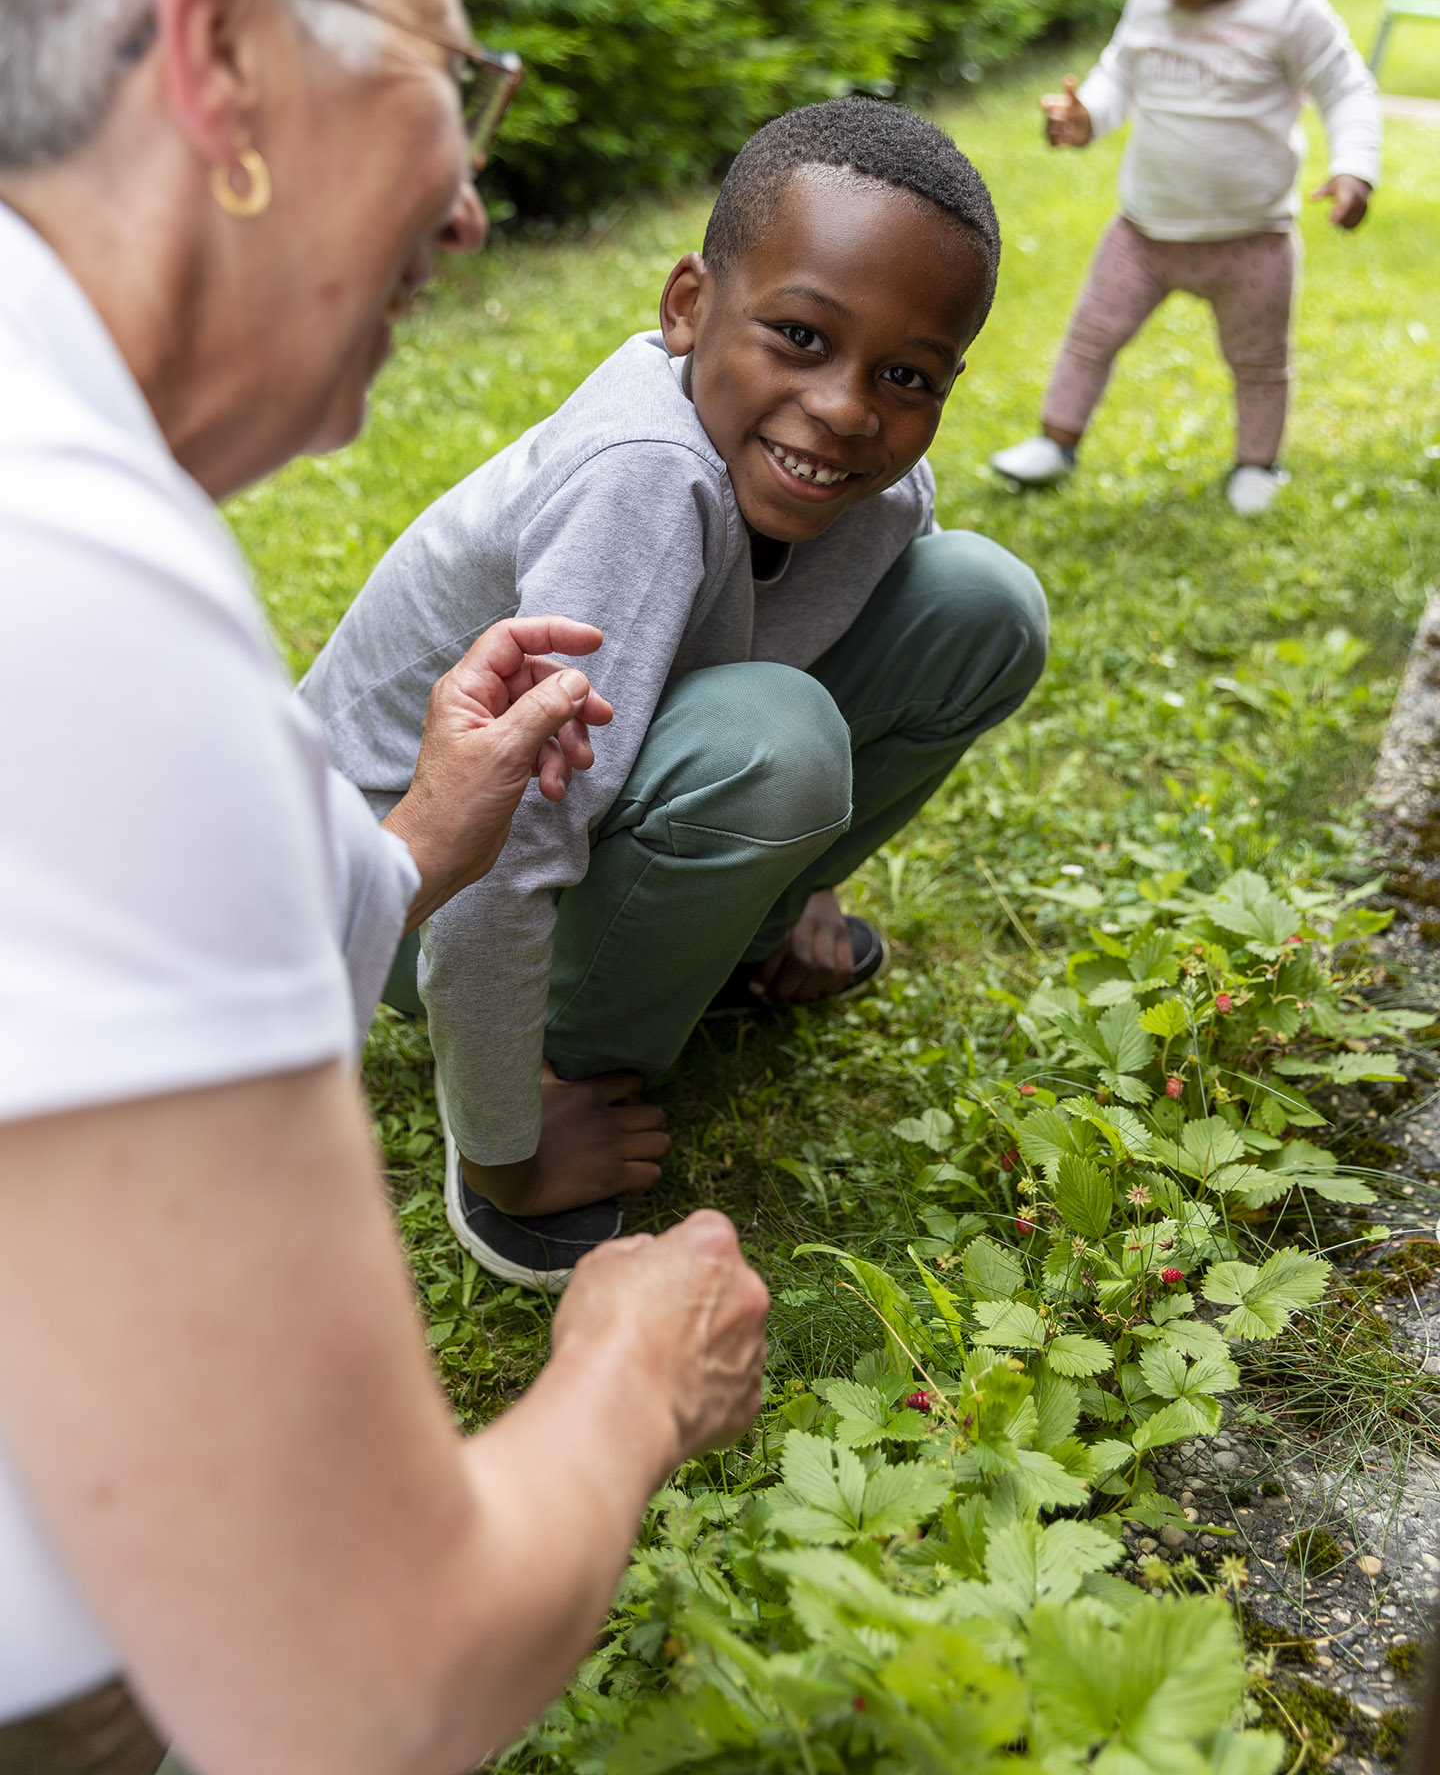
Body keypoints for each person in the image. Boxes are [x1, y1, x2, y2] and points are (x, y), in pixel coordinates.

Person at [0, 0, 769, 1773]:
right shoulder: (67, 567)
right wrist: (628, 1365)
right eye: (451, 69)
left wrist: (421, 829)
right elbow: (360, 1690)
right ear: (221, 51)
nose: (471, 192)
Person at [301, 99, 1049, 1291]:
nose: (849, 408)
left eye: (907, 375)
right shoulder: (640, 485)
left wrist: (807, 882)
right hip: (400, 884)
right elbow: (500, 851)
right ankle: (568, 1067)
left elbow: (847, 637)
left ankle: (739, 943)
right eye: (802, 336)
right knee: (776, 740)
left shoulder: (874, 487)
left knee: (982, 600)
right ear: (689, 305)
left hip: (589, 807)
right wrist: (506, 1149)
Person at [991, 0, 1381, 516]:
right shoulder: (1149, 0)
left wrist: (1355, 165)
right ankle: (1055, 440)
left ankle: (1256, 465)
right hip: (1145, 232)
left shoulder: (1291, 7)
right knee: (1090, 334)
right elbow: (1119, 77)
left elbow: (1346, 88)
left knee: (1260, 362)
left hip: (1253, 239)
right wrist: (1086, 118)